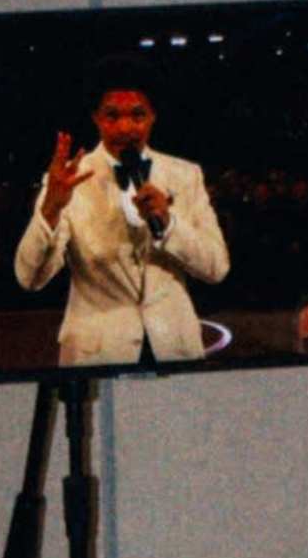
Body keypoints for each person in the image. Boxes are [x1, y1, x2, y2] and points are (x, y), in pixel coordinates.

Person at [15, 79, 228, 366]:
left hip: (175, 350)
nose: (125, 128)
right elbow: (29, 278)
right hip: (98, 356)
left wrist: (169, 224)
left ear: (153, 117)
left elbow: (216, 268)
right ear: (96, 119)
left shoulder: (186, 175)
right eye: (112, 116)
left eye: (137, 115)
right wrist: (51, 207)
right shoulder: (70, 179)